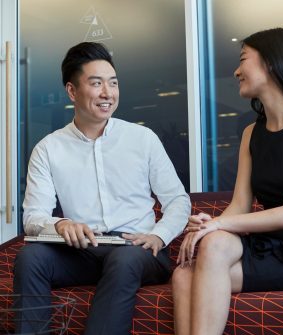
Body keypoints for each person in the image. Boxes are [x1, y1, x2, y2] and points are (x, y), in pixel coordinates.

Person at [14, 42, 191, 335]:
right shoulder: (49, 149)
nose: (108, 93)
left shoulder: (142, 139)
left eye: (113, 83)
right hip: (83, 250)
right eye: (96, 84)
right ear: (72, 91)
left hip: (138, 249)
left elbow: (178, 201)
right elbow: (33, 217)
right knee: (30, 258)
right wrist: (60, 225)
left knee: (125, 259)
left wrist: (158, 236)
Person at [172, 27, 283, 335]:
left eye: (243, 59)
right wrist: (213, 221)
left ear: (271, 63)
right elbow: (239, 206)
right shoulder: (251, 135)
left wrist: (218, 227)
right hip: (272, 246)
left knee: (216, 242)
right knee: (183, 273)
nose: (236, 71)